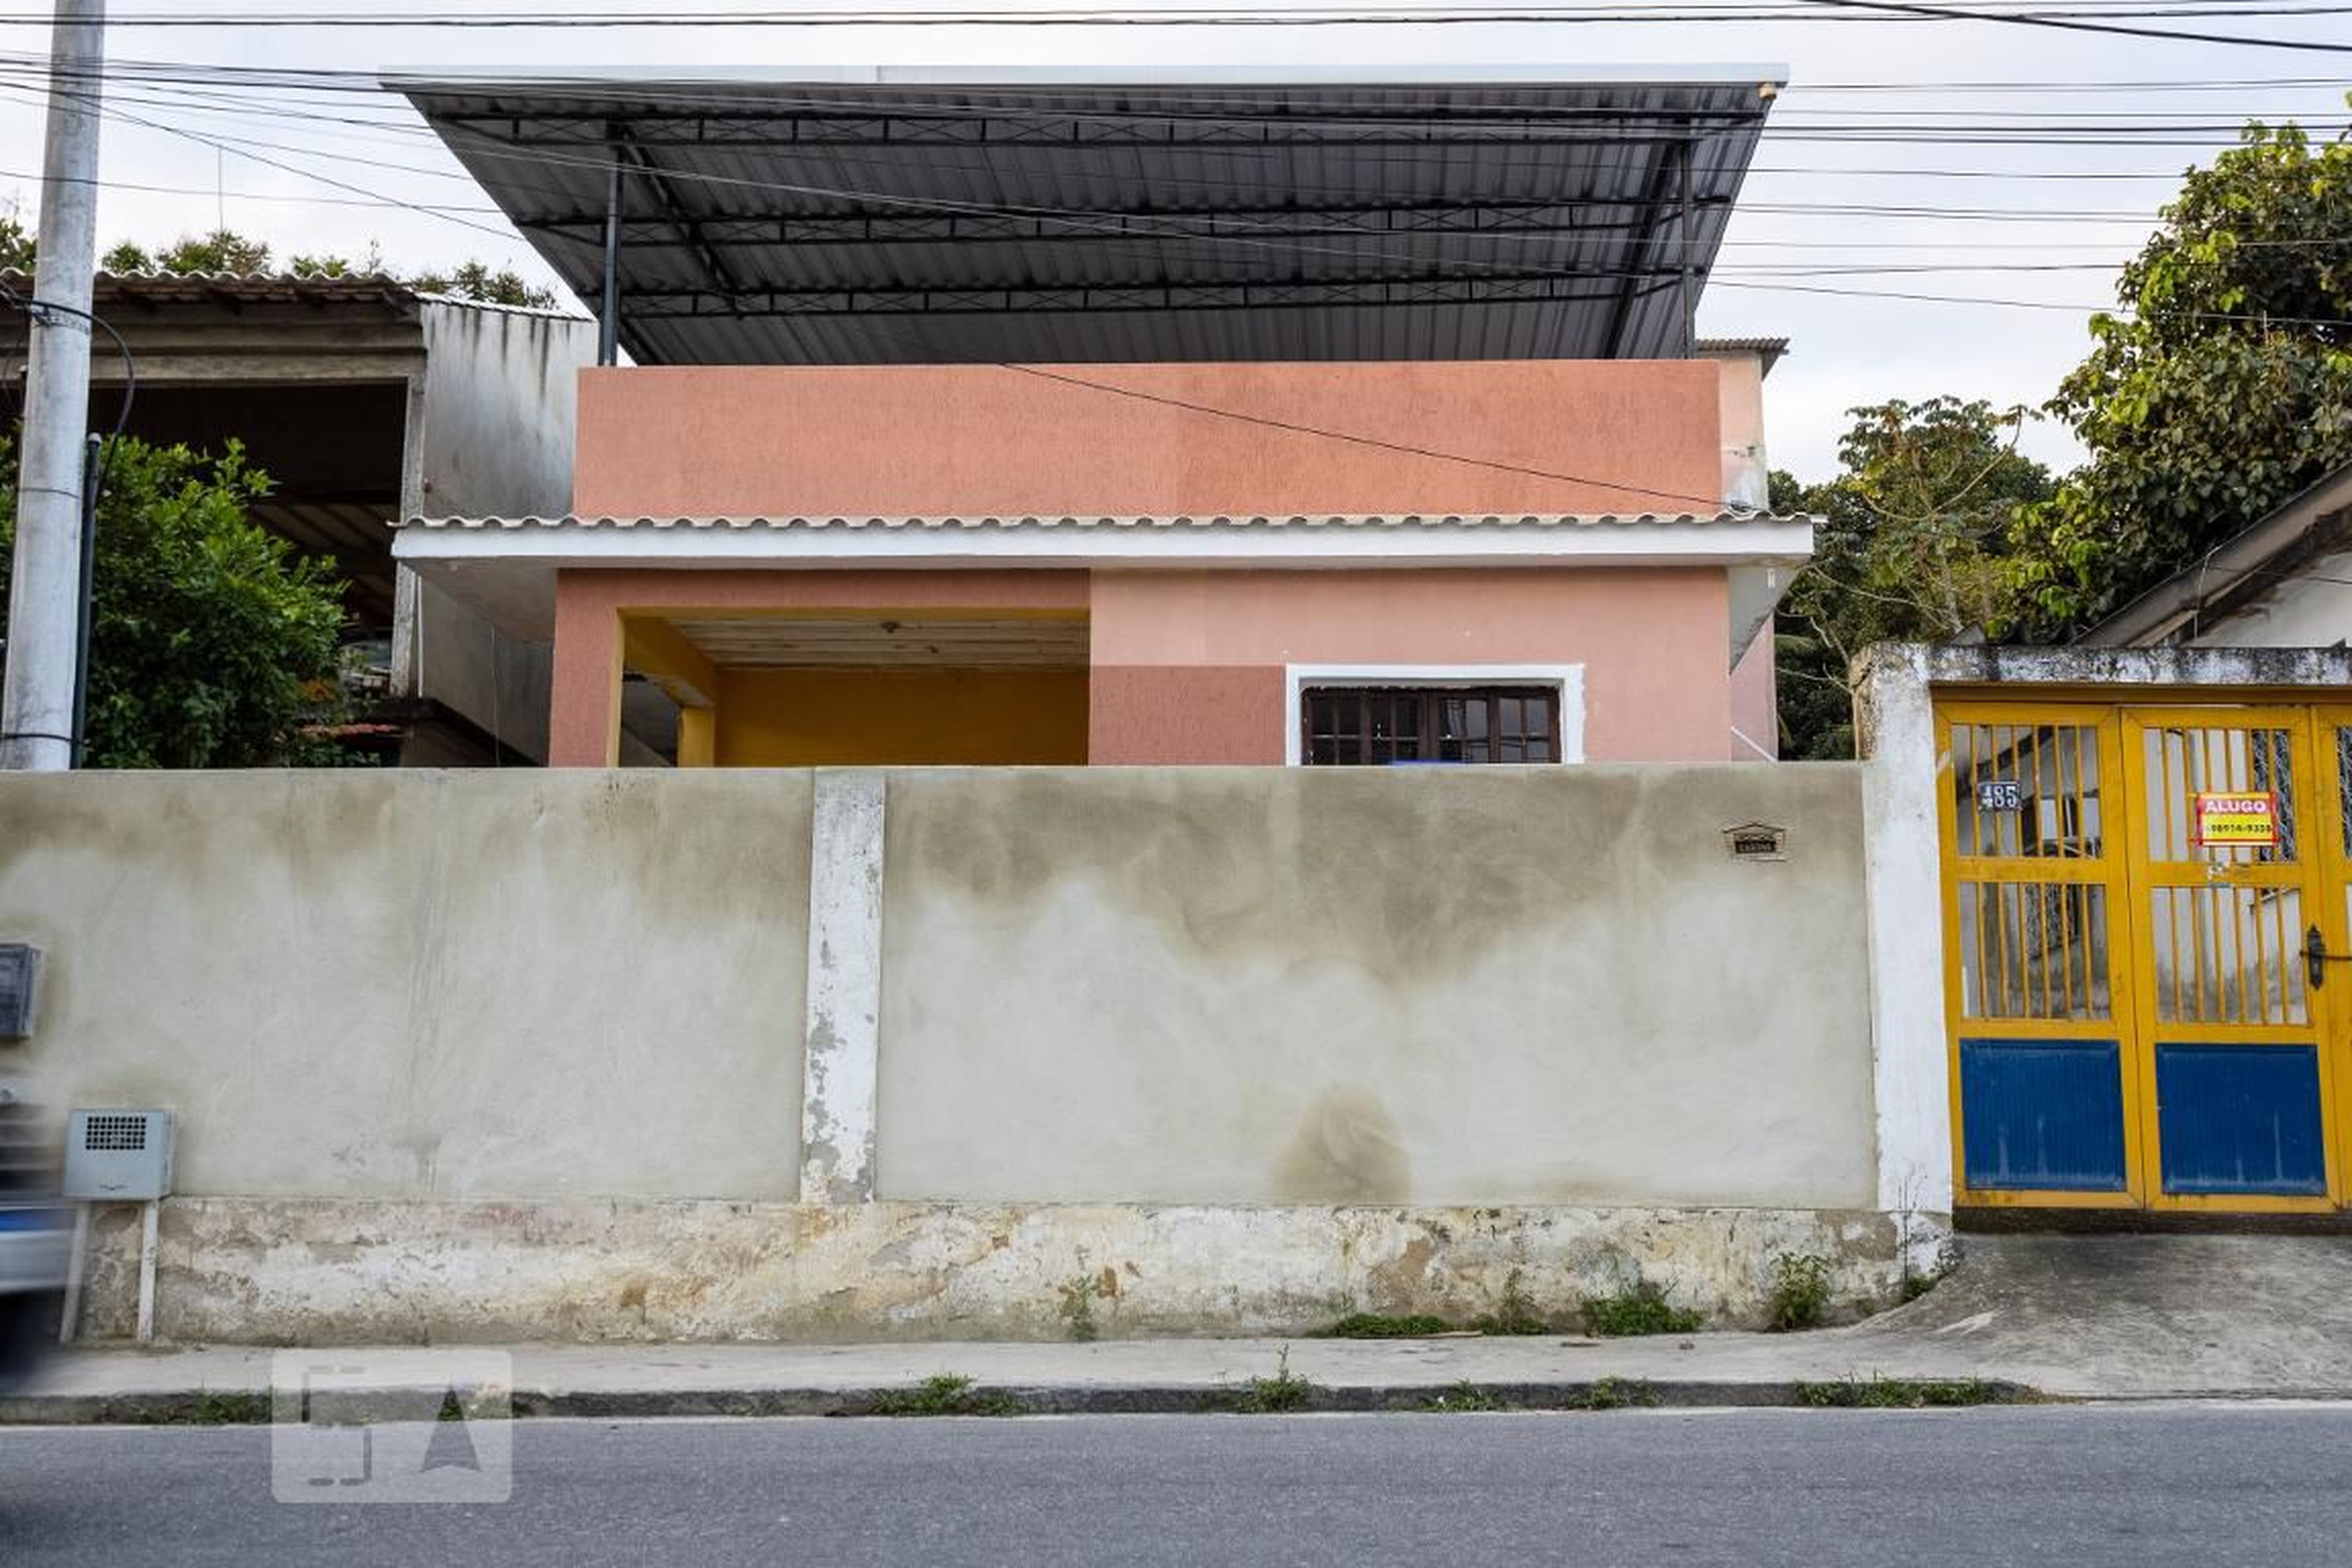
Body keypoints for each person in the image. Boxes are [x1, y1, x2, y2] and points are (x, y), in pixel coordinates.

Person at [0, 1080, 67, 1387]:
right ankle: (16, 1369)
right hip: (26, 1234)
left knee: (19, 1312)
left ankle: (16, 1370)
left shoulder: (17, 1143)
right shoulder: (21, 1140)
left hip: (22, 1234)